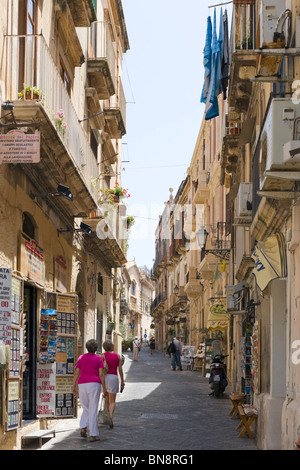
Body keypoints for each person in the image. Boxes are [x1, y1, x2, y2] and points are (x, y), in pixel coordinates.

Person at [73, 339, 107, 442]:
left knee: (85, 407)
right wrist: (104, 387)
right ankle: (93, 434)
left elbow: (77, 372)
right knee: (93, 409)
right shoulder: (98, 359)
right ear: (96, 348)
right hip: (94, 384)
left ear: (87, 348)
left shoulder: (81, 357)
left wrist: (73, 385)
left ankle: (83, 427)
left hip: (82, 384)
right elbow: (101, 374)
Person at [101, 340, 125, 429]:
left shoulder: (102, 356)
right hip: (113, 377)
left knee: (106, 398)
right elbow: (120, 370)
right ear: (111, 347)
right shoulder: (117, 356)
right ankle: (110, 417)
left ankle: (106, 418)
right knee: (112, 400)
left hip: (105, 377)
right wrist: (122, 381)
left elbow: (100, 369)